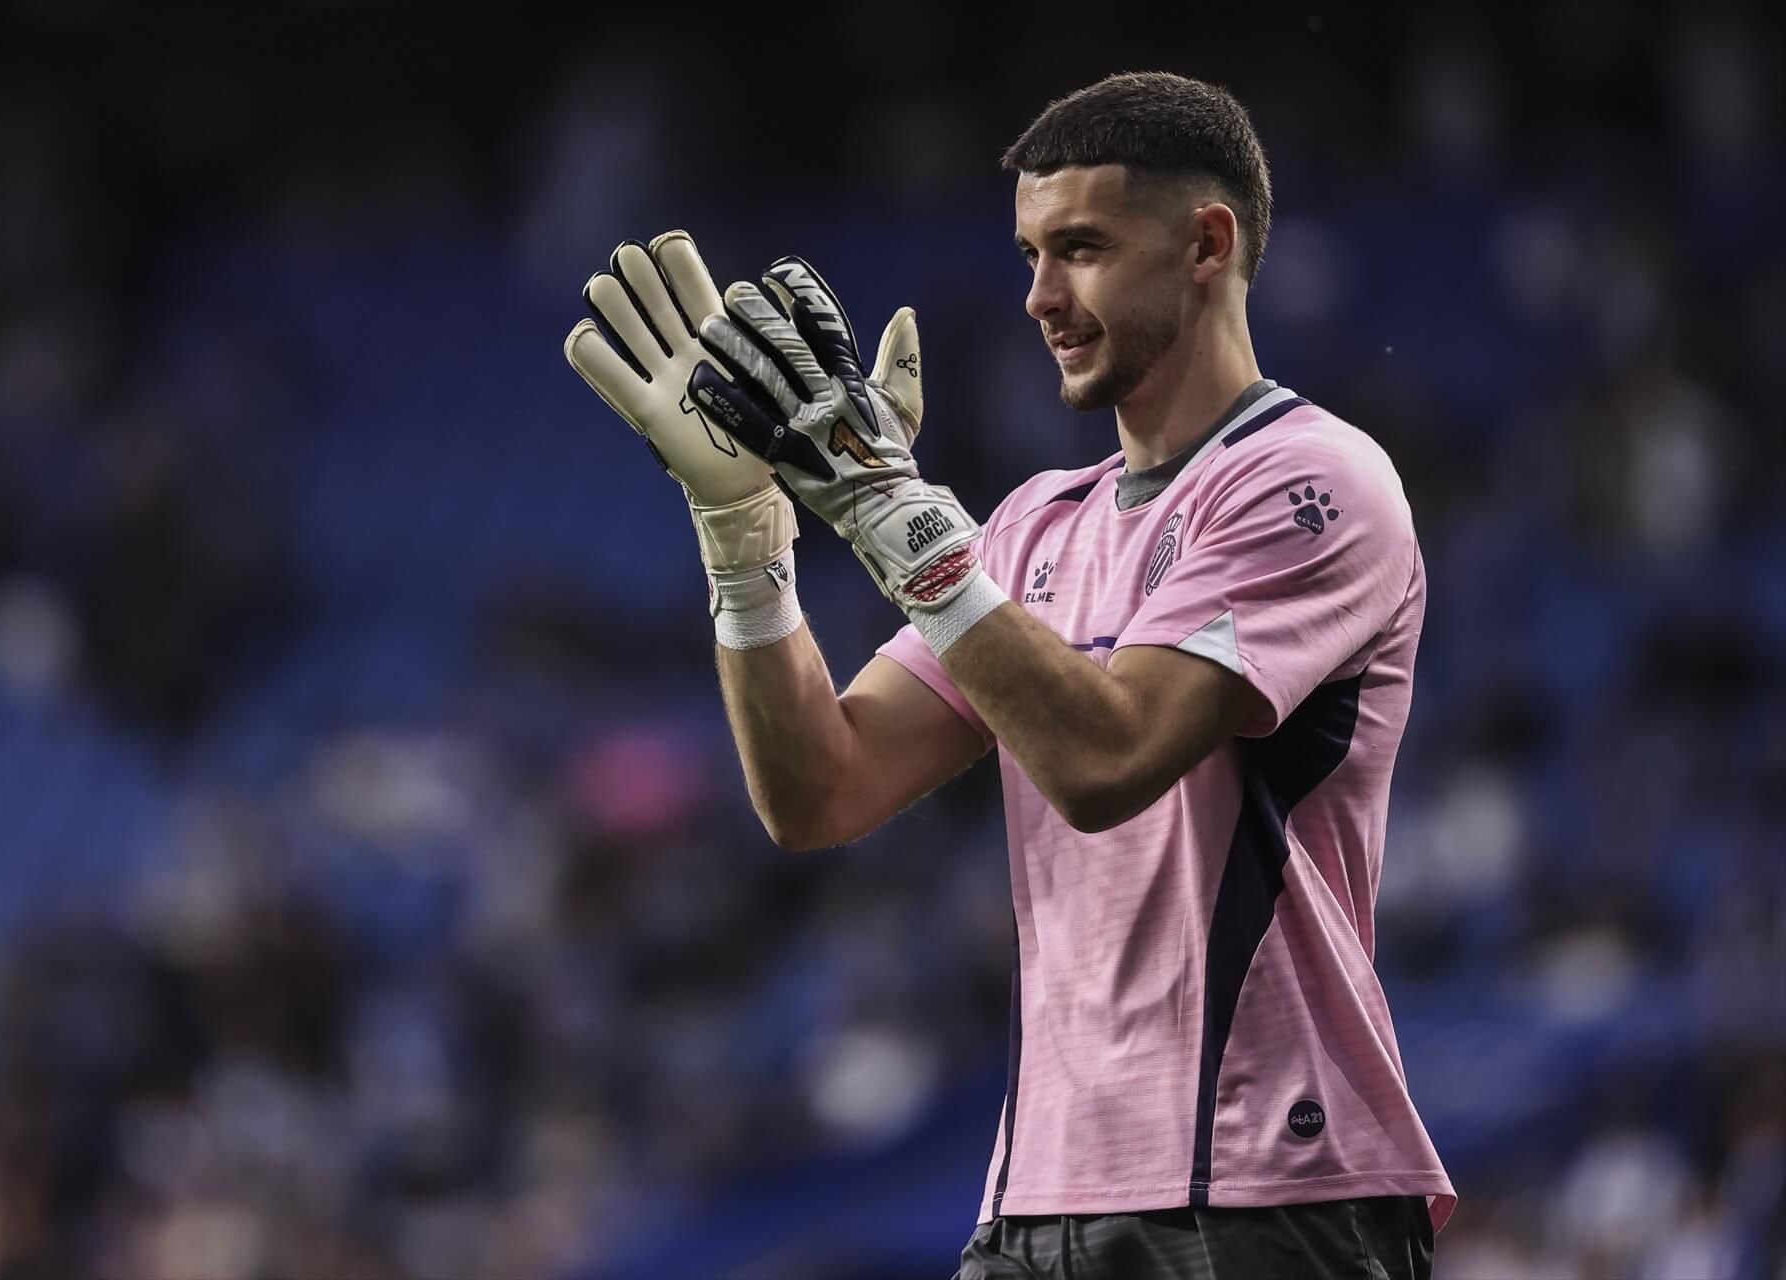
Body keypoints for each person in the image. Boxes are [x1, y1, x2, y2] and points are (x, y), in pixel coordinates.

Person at [565, 70, 1452, 1280]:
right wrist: (747, 544)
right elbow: (820, 788)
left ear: (1208, 242)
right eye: (1031, 253)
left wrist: (890, 508)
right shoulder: (1034, 525)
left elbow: (1107, 757)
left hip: (1265, 1188)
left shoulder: (1315, 481)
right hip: (1038, 1193)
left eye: (1080, 248)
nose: (1040, 295)